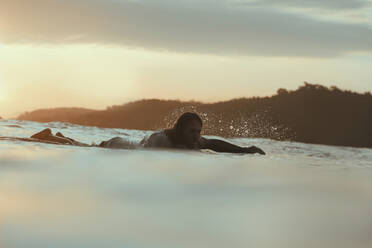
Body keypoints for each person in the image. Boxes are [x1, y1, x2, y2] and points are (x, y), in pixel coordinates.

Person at [29, 112, 265, 155]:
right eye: (192, 131)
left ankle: (55, 134)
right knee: (80, 147)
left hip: (127, 145)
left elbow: (215, 144)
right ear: (179, 129)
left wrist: (246, 150)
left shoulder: (191, 140)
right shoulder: (162, 140)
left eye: (198, 131)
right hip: (119, 146)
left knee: (80, 144)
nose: (197, 136)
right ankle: (50, 136)